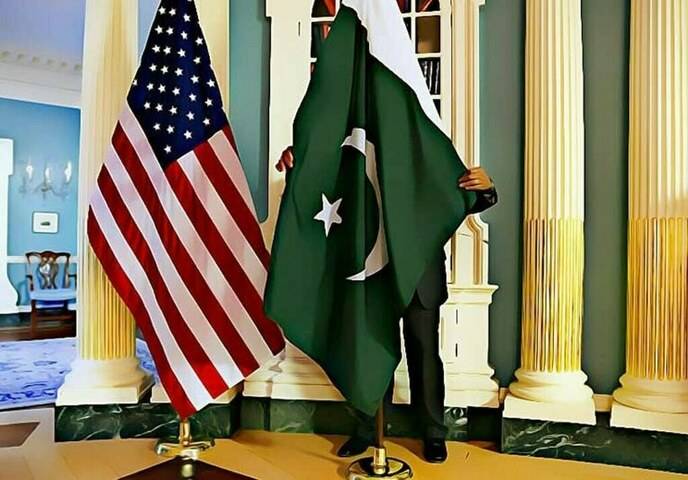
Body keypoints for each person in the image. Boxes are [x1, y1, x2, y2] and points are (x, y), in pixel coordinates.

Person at [276, 147, 498, 463]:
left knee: (424, 351)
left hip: (420, 274)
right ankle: (368, 429)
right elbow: (323, 188)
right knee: (373, 351)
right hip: (374, 273)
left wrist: (487, 188)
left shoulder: (425, 149)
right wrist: (300, 162)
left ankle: (433, 433)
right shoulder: (359, 149)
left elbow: (462, 199)